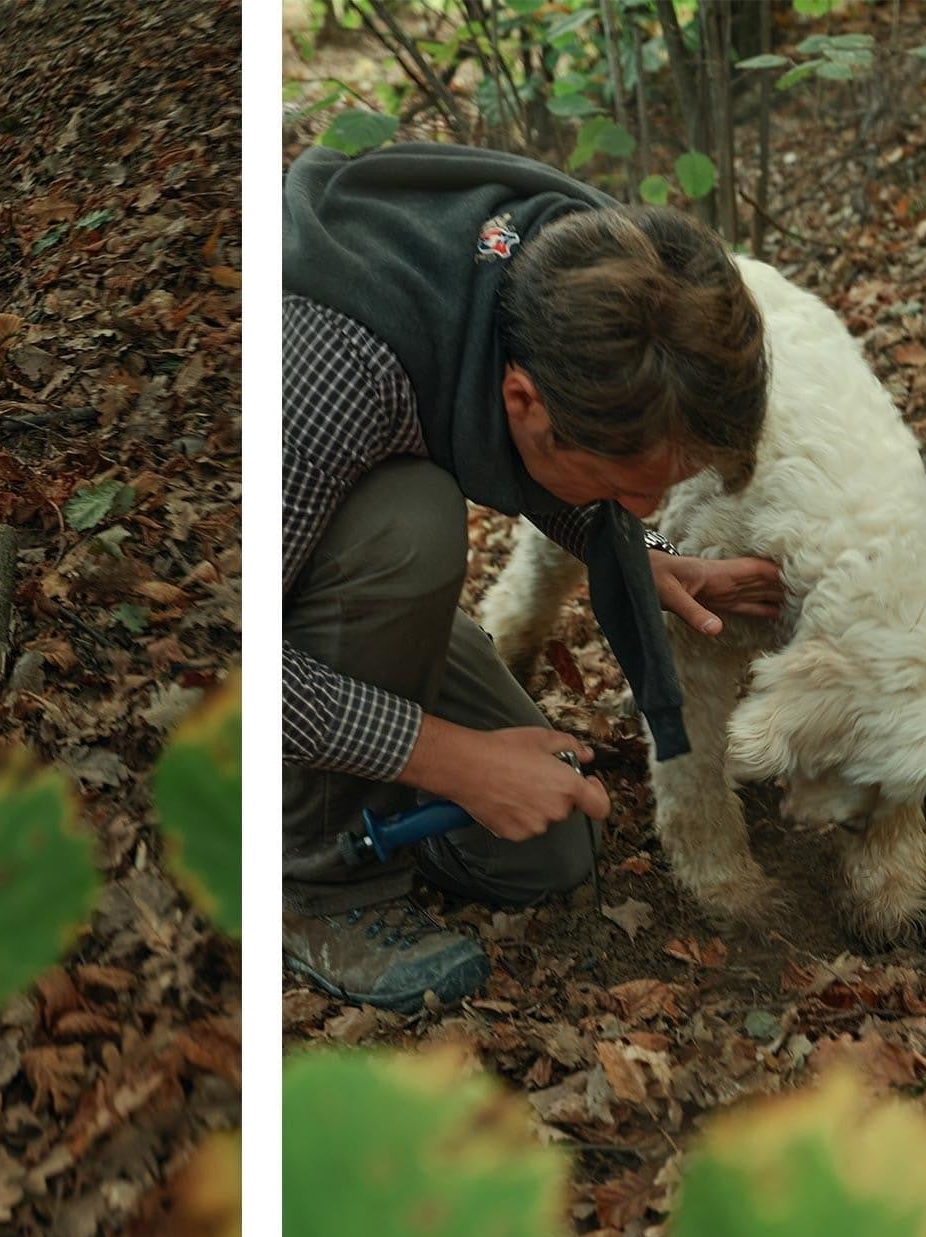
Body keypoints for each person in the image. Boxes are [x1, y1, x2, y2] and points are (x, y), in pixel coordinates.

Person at [282, 142, 784, 1012]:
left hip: (325, 560)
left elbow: (545, 464)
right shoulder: (323, 370)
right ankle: (311, 885)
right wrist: (452, 759)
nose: (642, 508)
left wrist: (649, 560)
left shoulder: (591, 273)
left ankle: (364, 792)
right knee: (415, 520)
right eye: (631, 492)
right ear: (525, 403)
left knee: (541, 853)